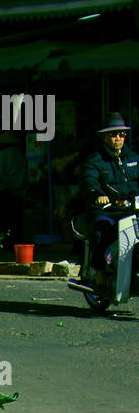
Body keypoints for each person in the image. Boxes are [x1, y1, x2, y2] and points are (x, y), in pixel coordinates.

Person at [82, 113, 139, 291]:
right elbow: (89, 180)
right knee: (102, 232)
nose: (118, 138)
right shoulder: (95, 160)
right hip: (108, 211)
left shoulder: (134, 158)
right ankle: (99, 279)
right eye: (113, 134)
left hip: (132, 210)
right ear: (104, 136)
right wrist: (98, 195)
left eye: (121, 134)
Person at [0, 132, 27, 245]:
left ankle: (7, 242)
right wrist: (18, 186)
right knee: (17, 218)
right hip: (18, 189)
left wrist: (10, 185)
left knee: (6, 218)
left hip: (6, 189)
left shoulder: (2, 154)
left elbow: (1, 173)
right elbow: (24, 172)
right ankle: (17, 241)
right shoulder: (20, 154)